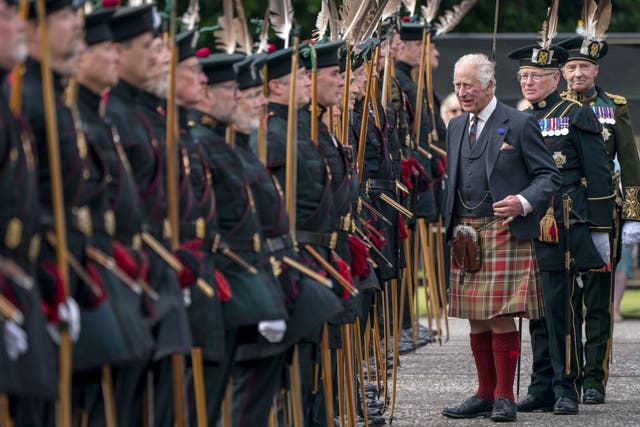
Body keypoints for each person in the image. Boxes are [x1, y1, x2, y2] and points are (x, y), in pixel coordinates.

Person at [441, 53, 560, 423]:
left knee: (499, 316)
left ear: (489, 85)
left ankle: (505, 397)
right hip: (465, 232)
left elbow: (549, 177)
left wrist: (523, 201)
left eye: (469, 86)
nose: (462, 92)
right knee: (475, 319)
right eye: (457, 85)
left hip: (504, 232)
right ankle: (483, 393)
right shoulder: (456, 126)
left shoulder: (520, 122)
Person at [508, 40, 614, 415]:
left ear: (555, 78)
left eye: (535, 76)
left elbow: (599, 174)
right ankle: (541, 386)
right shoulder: (521, 118)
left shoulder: (576, 114)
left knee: (560, 308)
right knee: (534, 309)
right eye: (523, 76)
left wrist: (600, 229)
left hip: (565, 223)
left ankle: (565, 385)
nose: (528, 82)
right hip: (528, 226)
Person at [557, 31, 640, 405]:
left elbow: (631, 162)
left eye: (584, 66)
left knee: (598, 300)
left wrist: (635, 215)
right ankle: (567, 376)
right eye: (571, 66)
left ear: (596, 69)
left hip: (605, 212)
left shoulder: (614, 106)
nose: (578, 73)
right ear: (562, 71)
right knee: (564, 301)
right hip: (561, 215)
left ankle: (594, 379)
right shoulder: (549, 107)